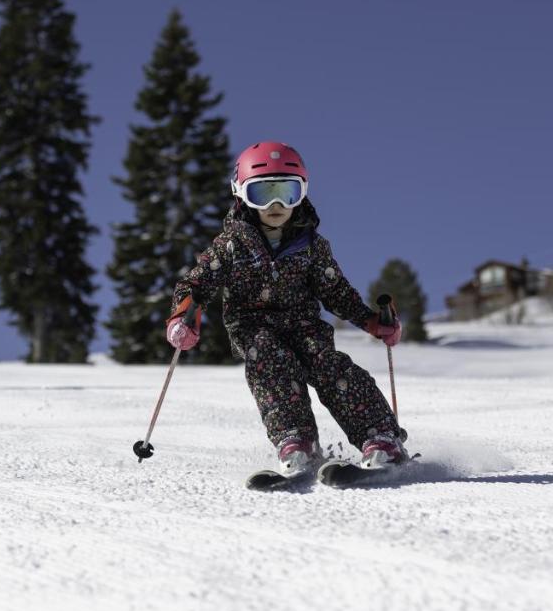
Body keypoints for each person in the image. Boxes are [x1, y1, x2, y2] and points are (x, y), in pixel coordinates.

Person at [166, 141, 405, 474]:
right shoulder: (231, 245)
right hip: (253, 326)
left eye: (288, 193)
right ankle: (295, 441)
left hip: (303, 324)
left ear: (302, 194)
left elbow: (334, 290)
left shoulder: (311, 246)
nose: (277, 204)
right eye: (263, 194)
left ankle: (381, 437)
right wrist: (184, 316)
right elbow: (194, 285)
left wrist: (370, 321)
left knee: (330, 366)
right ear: (242, 195)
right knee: (269, 361)